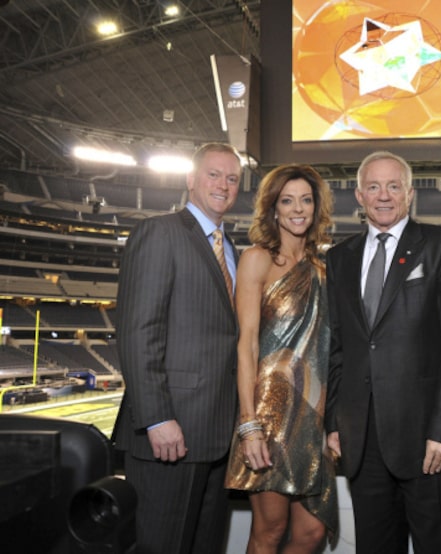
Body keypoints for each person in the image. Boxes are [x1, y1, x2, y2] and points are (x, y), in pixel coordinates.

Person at [324, 151, 441, 554]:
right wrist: (334, 422)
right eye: (373, 186)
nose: (383, 195)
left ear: (409, 193)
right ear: (359, 194)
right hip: (363, 439)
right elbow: (338, 346)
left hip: (428, 439)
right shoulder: (339, 258)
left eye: (393, 186)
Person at [113, 142, 242, 554]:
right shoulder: (160, 232)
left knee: (204, 546)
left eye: (233, 178)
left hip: (217, 434)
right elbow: (138, 330)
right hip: (171, 431)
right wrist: (156, 417)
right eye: (213, 174)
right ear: (190, 179)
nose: (223, 185)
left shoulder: (232, 248)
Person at [224, 164, 338, 552]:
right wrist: (249, 424)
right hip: (268, 417)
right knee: (269, 530)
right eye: (287, 200)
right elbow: (247, 345)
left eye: (306, 200)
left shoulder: (325, 268)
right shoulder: (257, 259)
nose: (298, 209)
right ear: (273, 208)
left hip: (313, 416)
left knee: (312, 533)